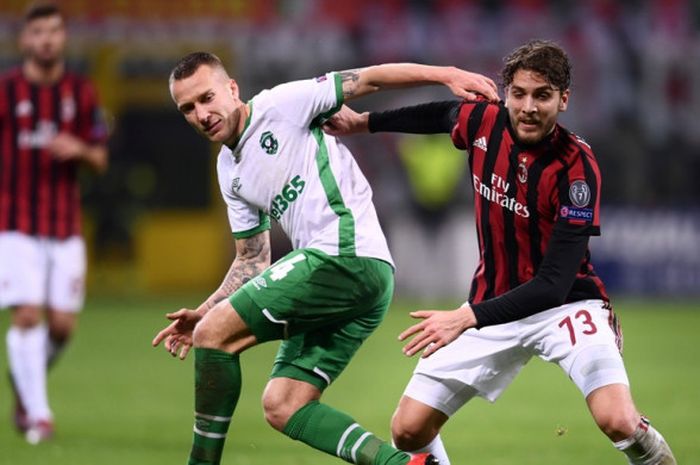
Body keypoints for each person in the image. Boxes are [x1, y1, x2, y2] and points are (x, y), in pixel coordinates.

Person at [323, 40, 677, 465]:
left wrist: (465, 317)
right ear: (506, 92)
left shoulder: (577, 169)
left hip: (565, 306)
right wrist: (364, 123)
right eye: (519, 93)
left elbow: (553, 284)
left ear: (563, 100)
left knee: (617, 419)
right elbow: (440, 114)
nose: (528, 107)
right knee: (407, 430)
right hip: (493, 301)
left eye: (542, 95)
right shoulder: (484, 122)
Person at [151, 52, 498, 465]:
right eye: (187, 108)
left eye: (207, 98)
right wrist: (207, 310)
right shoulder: (230, 169)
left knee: (215, 338)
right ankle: (404, 464)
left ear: (231, 89)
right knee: (283, 404)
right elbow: (252, 260)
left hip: (344, 254)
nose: (201, 113)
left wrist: (448, 73)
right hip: (351, 281)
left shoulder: (281, 104)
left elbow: (371, 79)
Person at [0, 2, 108, 444]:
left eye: (54, 31)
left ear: (63, 38)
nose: (46, 39)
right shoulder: (5, 90)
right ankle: (40, 414)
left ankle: (25, 385)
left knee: (61, 326)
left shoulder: (81, 93)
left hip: (65, 226)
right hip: (13, 223)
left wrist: (79, 150)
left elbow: (100, 159)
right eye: (38, 32)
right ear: (25, 40)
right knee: (27, 314)